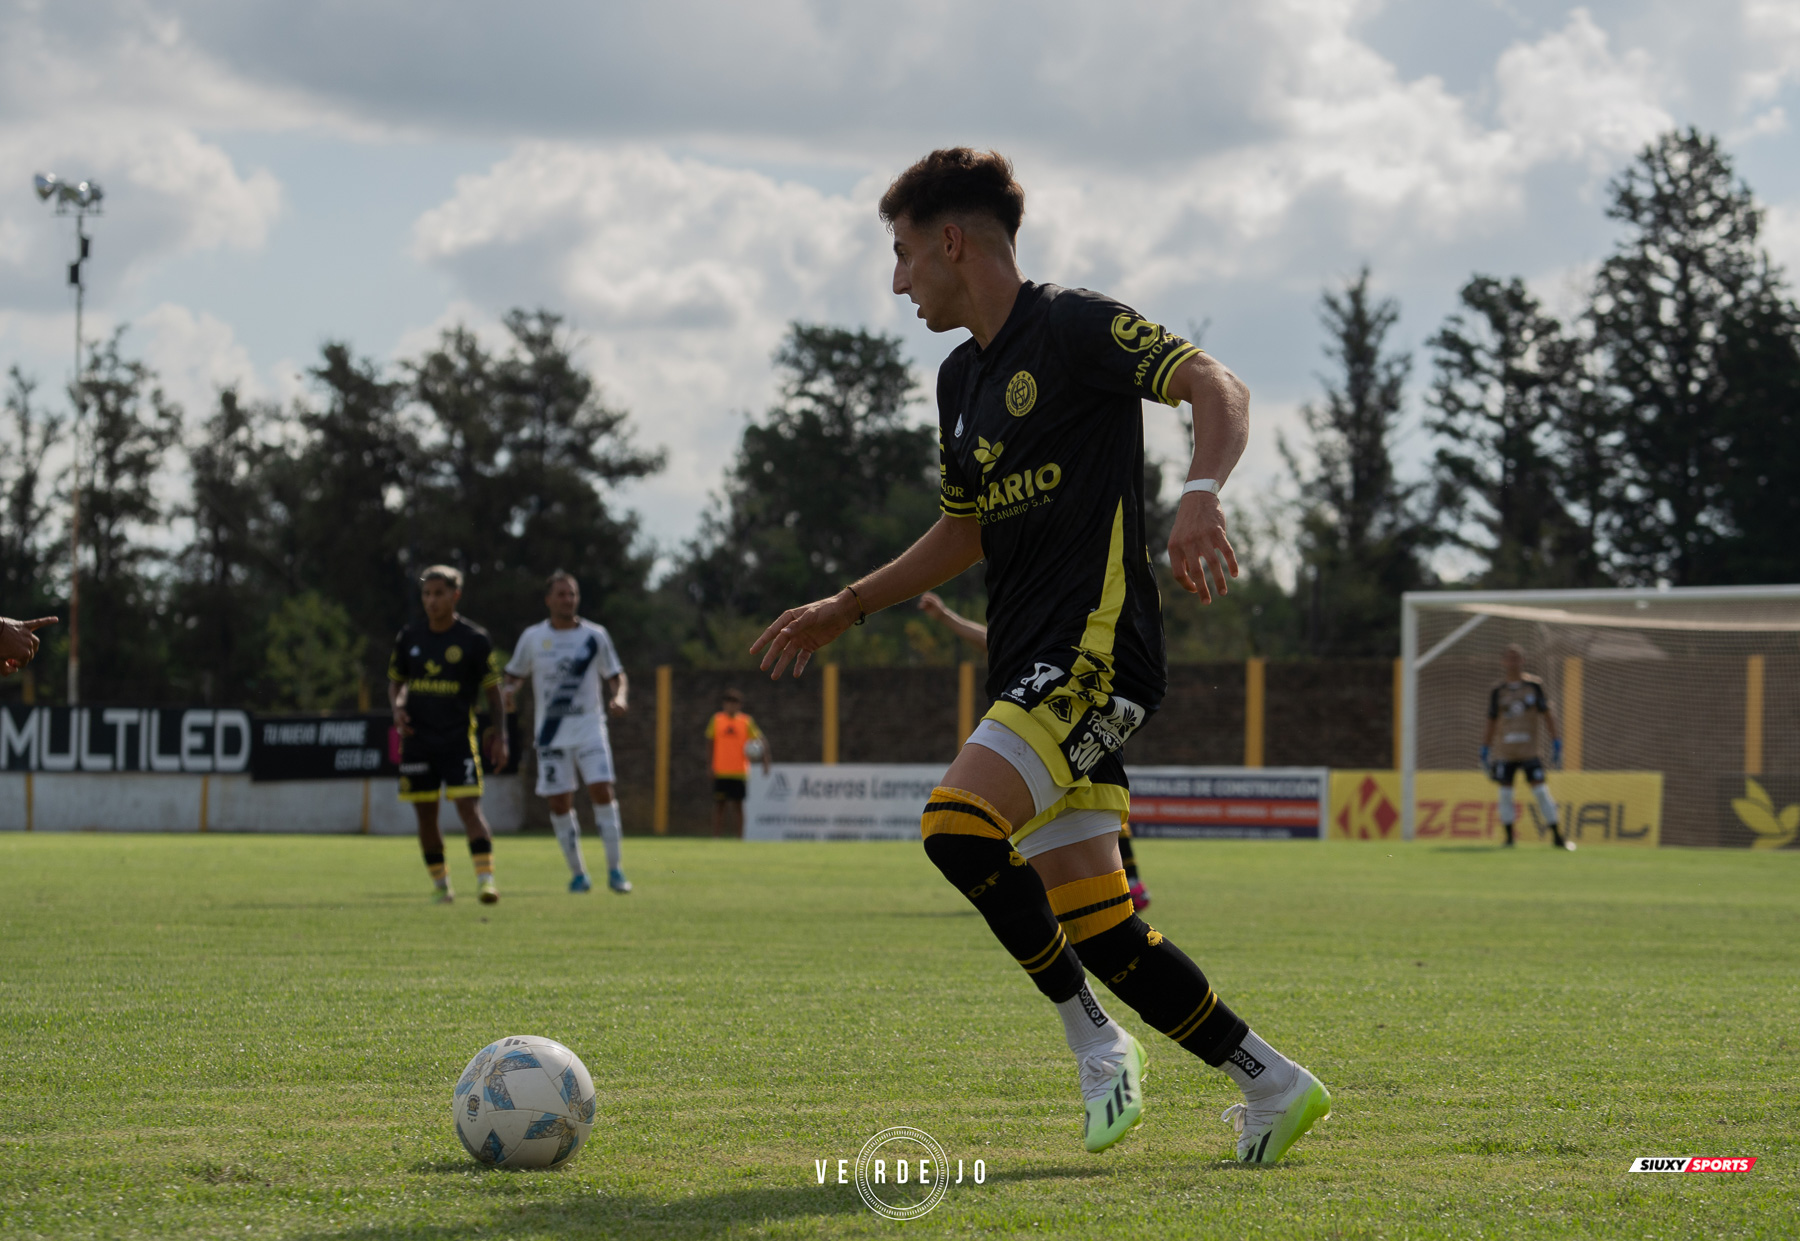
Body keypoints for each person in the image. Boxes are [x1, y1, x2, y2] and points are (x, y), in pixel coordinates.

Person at [753, 149, 1329, 1164]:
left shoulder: (1072, 325)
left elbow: (1215, 384)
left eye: (900, 257)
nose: (897, 284)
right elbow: (961, 531)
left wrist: (1200, 493)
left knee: (956, 825)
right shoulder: (959, 377)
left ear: (950, 241)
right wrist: (849, 604)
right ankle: (1274, 1083)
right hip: (1031, 663)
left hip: (1092, 654)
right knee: (1103, 927)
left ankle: (1094, 1039)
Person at [919, 591, 1152, 911]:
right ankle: (1118, 889)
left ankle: (1125, 885)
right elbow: (992, 643)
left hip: (1060, 731)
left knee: (1097, 813)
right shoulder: (1038, 626)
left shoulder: (1073, 620)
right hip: (1046, 731)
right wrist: (946, 617)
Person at [503, 571, 632, 894]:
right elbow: (513, 676)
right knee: (559, 802)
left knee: (602, 790)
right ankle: (578, 874)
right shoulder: (533, 638)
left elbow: (616, 674)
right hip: (550, 734)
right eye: (561, 594)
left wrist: (619, 697)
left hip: (590, 728)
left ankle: (615, 870)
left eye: (572, 594)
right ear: (549, 600)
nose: (567, 599)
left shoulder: (595, 636)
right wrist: (508, 692)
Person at [388, 566, 509, 903]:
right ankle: (442, 887)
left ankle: (486, 881)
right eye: (426, 594)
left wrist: (501, 735)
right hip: (417, 742)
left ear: (455, 595)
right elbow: (396, 681)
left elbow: (493, 691)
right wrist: (398, 708)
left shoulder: (474, 639)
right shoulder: (410, 637)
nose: (431, 601)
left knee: (469, 808)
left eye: (438, 593)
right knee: (426, 815)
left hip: (458, 740)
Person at [1482, 644, 1572, 850]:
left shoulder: (1534, 686)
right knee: (1505, 794)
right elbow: (1491, 720)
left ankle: (1557, 837)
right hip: (1505, 752)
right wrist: (1485, 747)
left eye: (1517, 658)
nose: (1513, 662)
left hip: (1529, 751)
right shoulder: (1498, 691)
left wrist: (1556, 740)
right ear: (1503, 662)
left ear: (1523, 661)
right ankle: (1508, 839)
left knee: (1540, 792)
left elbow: (1548, 714)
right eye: (1509, 658)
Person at [707, 690, 770, 838]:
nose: (731, 707)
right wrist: (710, 765)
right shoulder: (717, 720)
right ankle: (716, 838)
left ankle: (739, 838)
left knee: (738, 806)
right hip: (721, 770)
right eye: (728, 704)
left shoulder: (746, 721)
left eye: (734, 704)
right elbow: (710, 742)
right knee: (719, 805)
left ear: (739, 705)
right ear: (724, 704)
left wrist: (765, 760)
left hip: (739, 771)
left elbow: (761, 740)